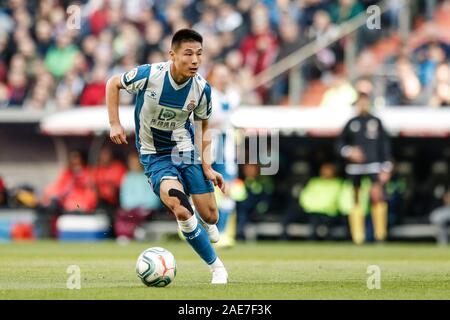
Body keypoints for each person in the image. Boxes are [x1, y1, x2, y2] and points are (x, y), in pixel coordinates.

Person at [106, 29, 228, 284]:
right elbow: (113, 83)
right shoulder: (150, 75)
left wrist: (206, 165)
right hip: (155, 156)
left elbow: (204, 126)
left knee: (211, 217)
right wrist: (115, 123)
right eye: (188, 54)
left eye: (199, 54)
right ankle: (217, 267)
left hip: (185, 153)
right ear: (172, 55)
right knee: (181, 209)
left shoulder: (202, 89)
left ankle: (202, 218)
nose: (195, 60)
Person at [336, 92, 392, 244]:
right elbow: (339, 145)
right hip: (355, 168)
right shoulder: (351, 123)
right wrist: (349, 151)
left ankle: (380, 236)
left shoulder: (376, 122)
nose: (362, 105)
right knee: (355, 200)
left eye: (365, 102)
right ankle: (357, 237)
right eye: (360, 103)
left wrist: (386, 167)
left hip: (374, 166)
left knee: (377, 198)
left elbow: (385, 146)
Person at [207, 63, 240, 247]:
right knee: (199, 188)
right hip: (208, 147)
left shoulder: (233, 95)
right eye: (218, 74)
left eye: (225, 75)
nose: (222, 78)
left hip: (225, 148)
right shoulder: (208, 94)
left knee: (228, 190)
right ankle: (192, 225)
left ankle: (222, 233)